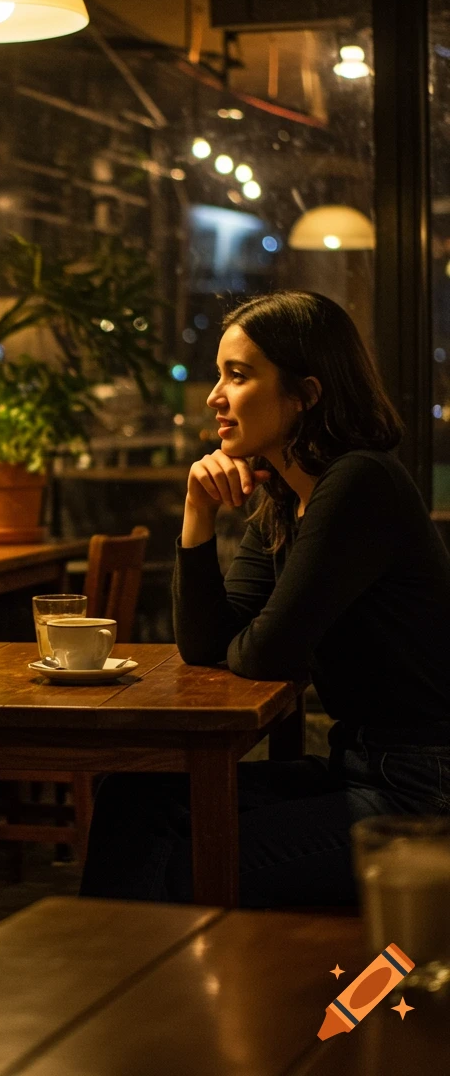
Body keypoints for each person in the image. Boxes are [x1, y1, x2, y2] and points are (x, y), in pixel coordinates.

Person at [80, 290, 450, 907]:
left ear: (305, 394)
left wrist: (248, 641)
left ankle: (133, 964)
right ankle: (114, 961)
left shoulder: (360, 481)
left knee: (186, 866)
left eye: (238, 375)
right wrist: (197, 512)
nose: (213, 396)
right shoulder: (285, 497)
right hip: (358, 768)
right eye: (218, 374)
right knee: (134, 794)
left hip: (420, 791)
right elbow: (206, 644)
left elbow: (264, 654)